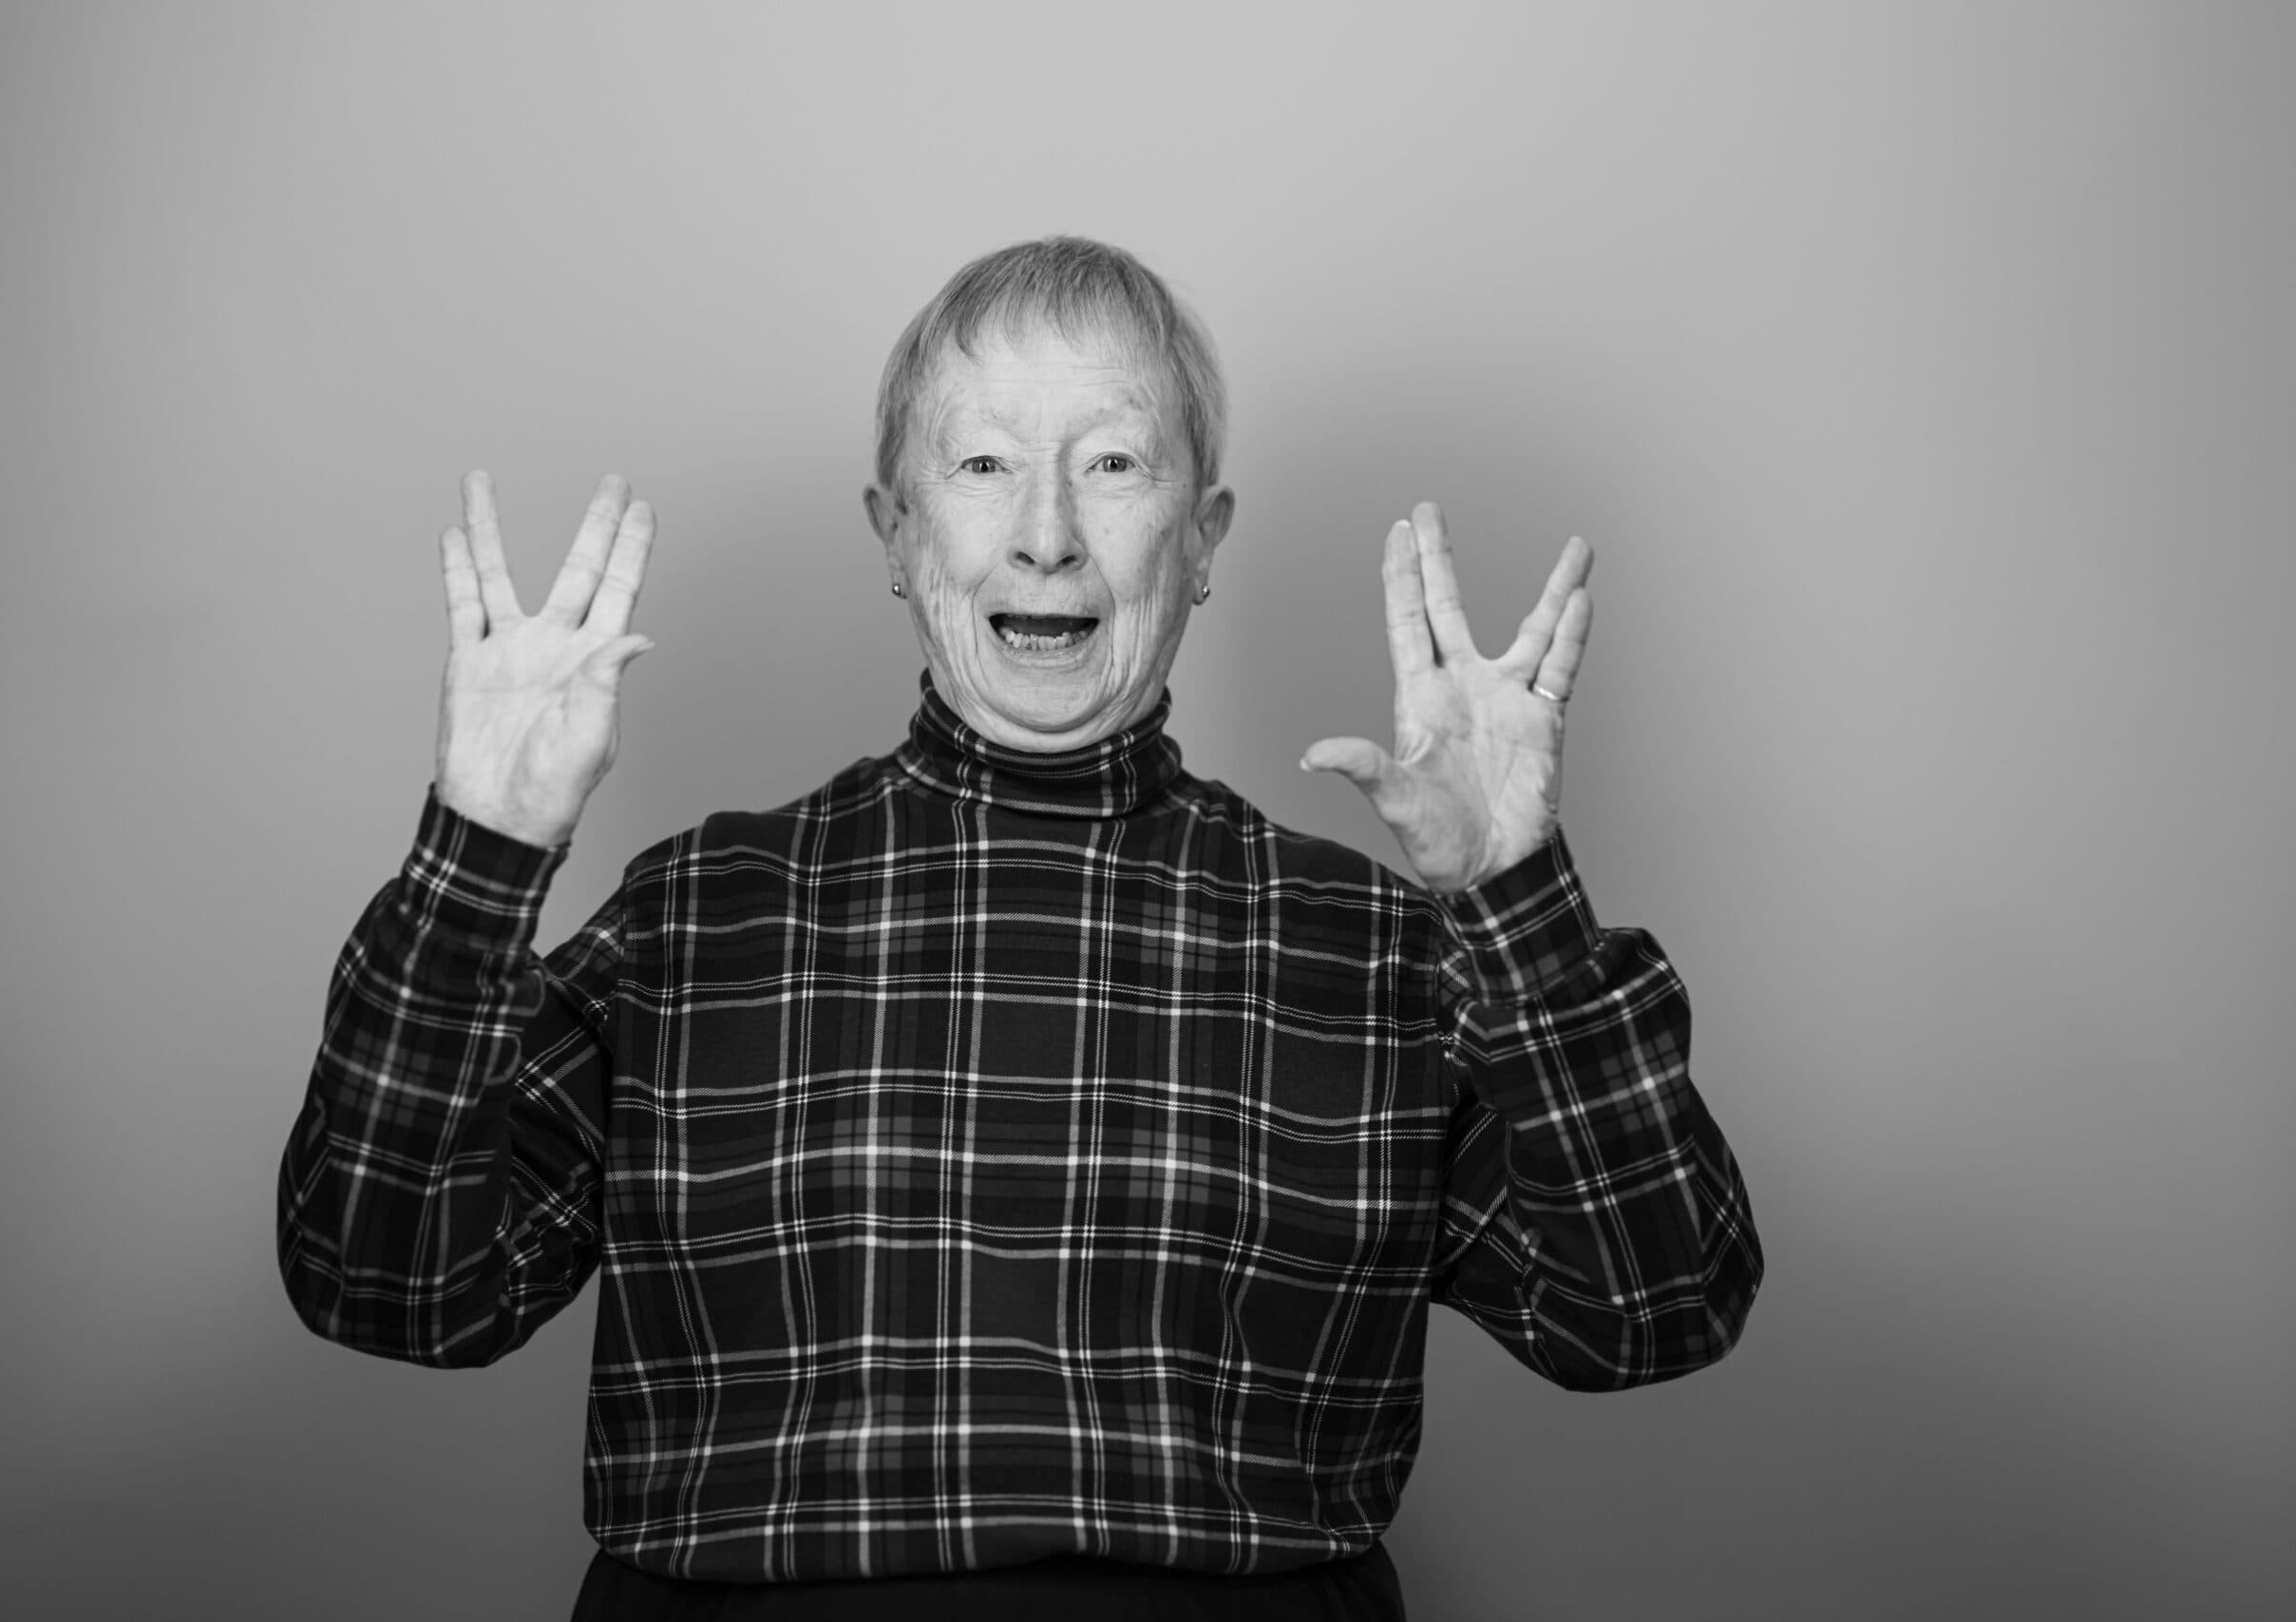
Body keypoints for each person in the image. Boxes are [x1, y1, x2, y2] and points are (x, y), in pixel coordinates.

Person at [277, 237, 1763, 1621]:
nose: (1047, 536)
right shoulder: (692, 914)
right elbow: (387, 1287)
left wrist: (1514, 894)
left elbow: (1653, 1309)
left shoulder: (1374, 949)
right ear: (897, 527)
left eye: (1113, 464)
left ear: (1202, 538)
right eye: (984, 464)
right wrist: (479, 853)